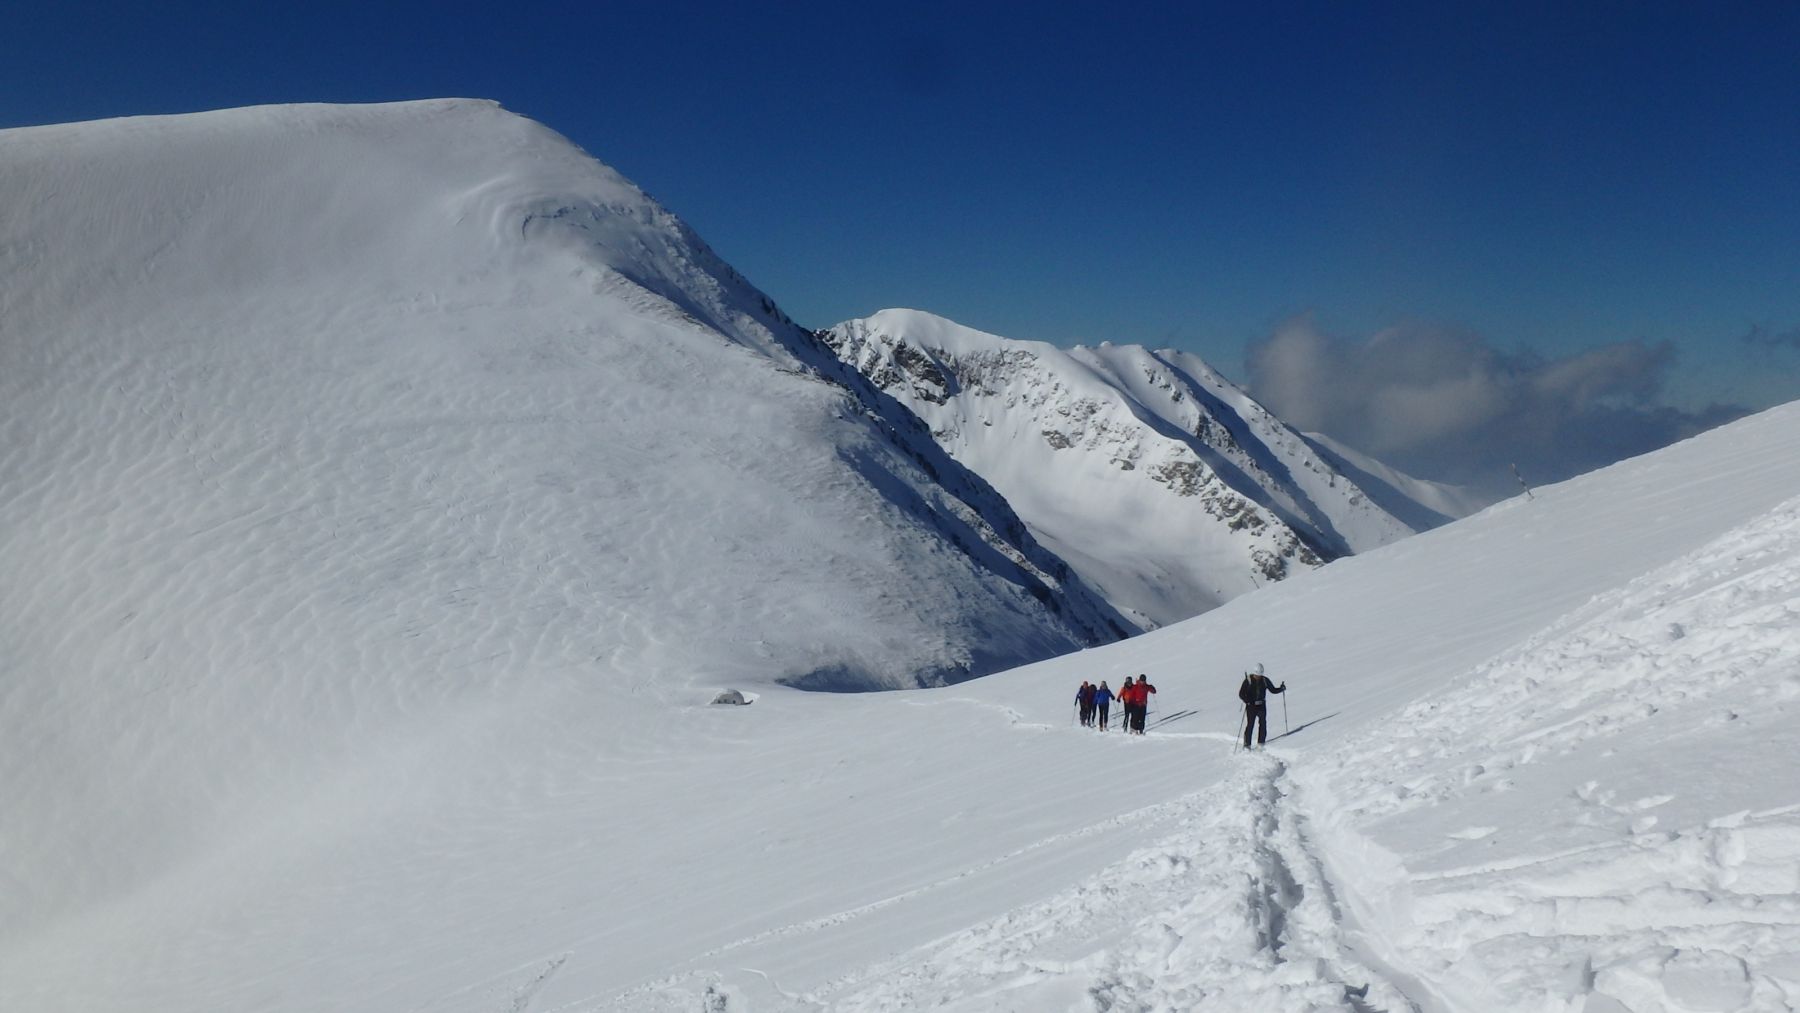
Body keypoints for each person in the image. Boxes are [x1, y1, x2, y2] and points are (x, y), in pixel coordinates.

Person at [1238, 663, 1286, 748]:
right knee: (1250, 725)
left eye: (1259, 675)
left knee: (1263, 723)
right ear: (1254, 673)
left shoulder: (1264, 680)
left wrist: (1281, 689)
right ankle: (1247, 744)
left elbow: (1273, 690)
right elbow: (1241, 693)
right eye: (1256, 675)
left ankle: (1261, 743)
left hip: (1261, 705)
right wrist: (1247, 701)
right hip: (1251, 706)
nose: (1258, 677)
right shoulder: (1248, 680)